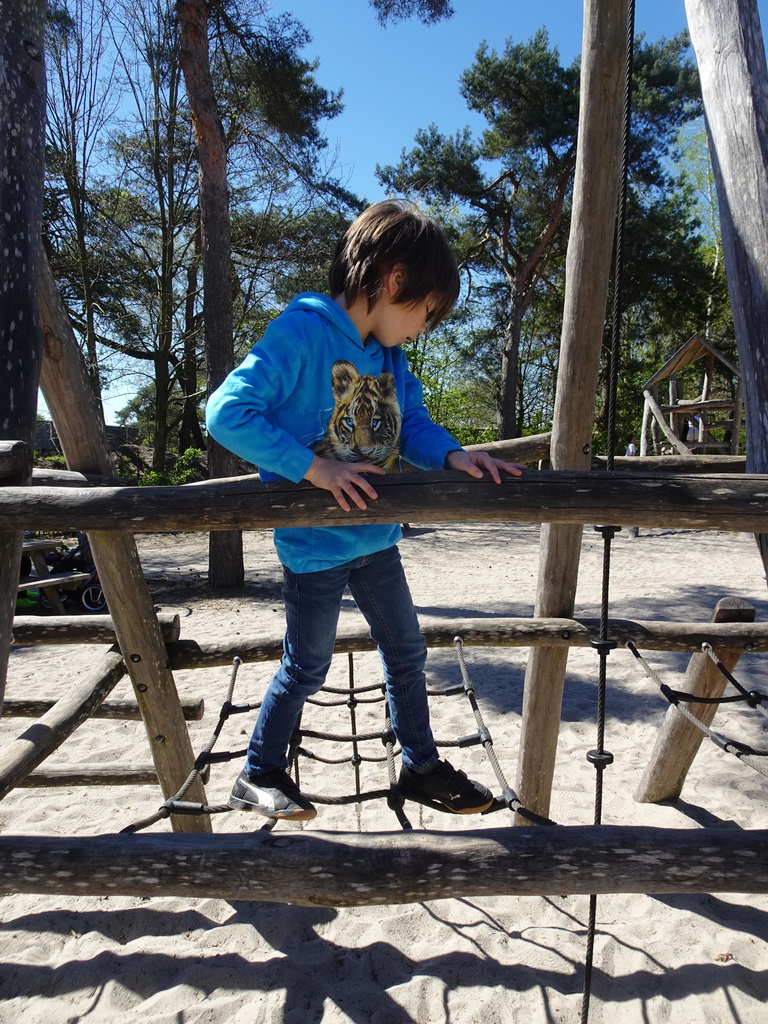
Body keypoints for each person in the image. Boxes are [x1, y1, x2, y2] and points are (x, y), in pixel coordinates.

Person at [206, 199, 523, 821]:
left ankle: (420, 765)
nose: (424, 328)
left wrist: (453, 456)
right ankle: (258, 772)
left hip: (375, 538)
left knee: (408, 652)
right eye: (425, 312)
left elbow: (416, 428)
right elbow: (226, 413)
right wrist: (315, 468)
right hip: (314, 546)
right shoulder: (302, 332)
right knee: (308, 666)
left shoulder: (391, 357)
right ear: (394, 279)